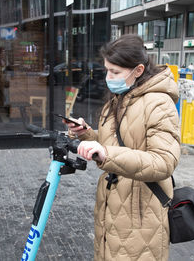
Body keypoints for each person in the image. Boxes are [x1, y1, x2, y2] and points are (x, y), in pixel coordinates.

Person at [64, 34, 181, 260]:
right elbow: (114, 143)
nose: (109, 77)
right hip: (113, 206)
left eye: (115, 72)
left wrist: (107, 154)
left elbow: (164, 162)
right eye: (107, 70)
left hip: (141, 213)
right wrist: (86, 133)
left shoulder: (159, 103)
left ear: (138, 70)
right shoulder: (119, 98)